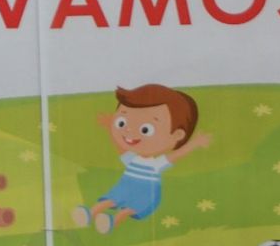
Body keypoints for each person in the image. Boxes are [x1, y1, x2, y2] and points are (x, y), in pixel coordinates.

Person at [71, 84, 213, 234]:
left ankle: (112, 222)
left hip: (146, 192)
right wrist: (110, 129)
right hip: (125, 186)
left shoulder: (156, 164)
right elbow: (121, 149)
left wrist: (194, 144)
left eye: (146, 129)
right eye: (121, 123)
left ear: (177, 135)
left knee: (129, 209)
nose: (129, 130)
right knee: (111, 199)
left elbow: (176, 155)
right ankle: (90, 213)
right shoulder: (133, 159)